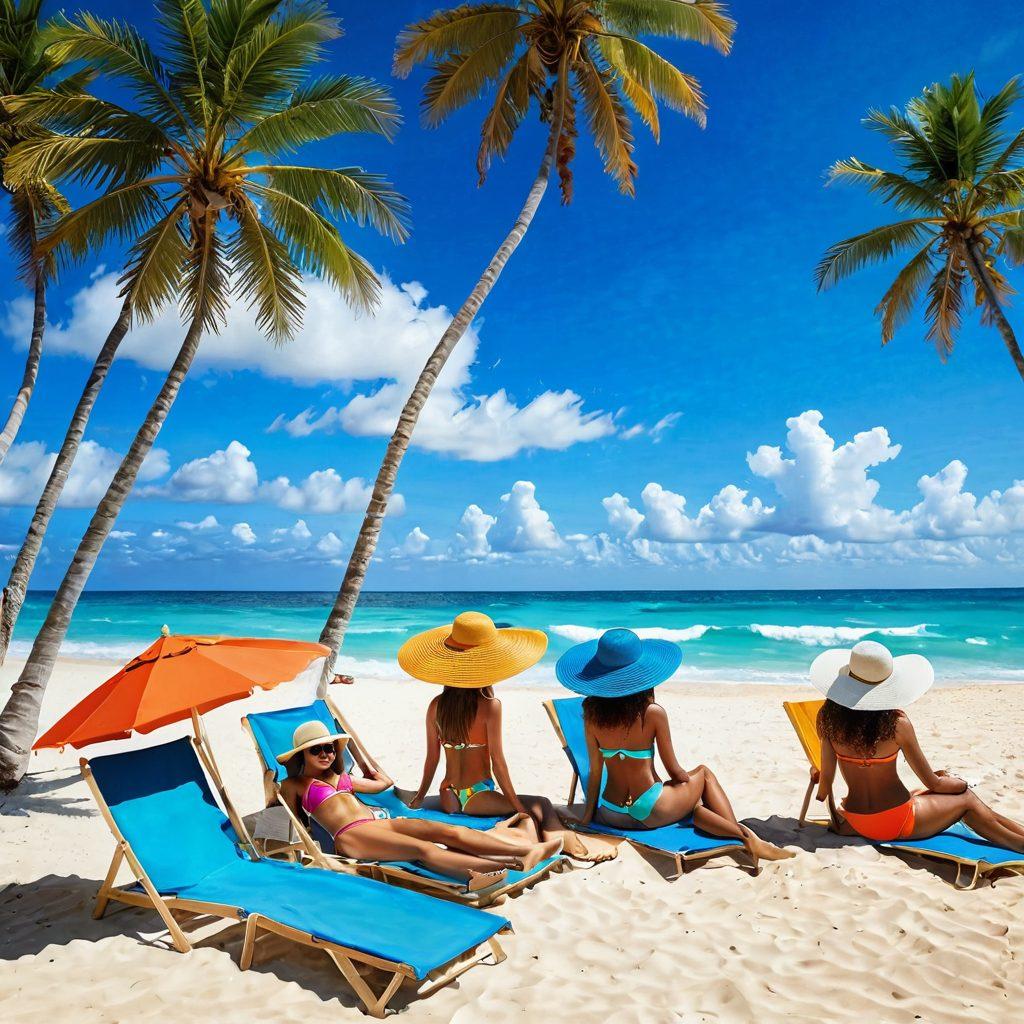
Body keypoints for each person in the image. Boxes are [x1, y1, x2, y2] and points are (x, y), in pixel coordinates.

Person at [556, 627, 794, 869]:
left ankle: (721, 826)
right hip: (649, 812)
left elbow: (595, 772)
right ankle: (742, 837)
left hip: (611, 813)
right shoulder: (652, 713)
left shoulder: (591, 718)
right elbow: (674, 771)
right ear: (641, 676)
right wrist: (688, 785)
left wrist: (588, 817)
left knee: (695, 807)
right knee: (702, 774)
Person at [401, 611, 615, 864]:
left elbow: (432, 759)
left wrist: (419, 797)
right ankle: (566, 843)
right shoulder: (491, 705)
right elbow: (498, 762)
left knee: (533, 807)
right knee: (541, 804)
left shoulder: (437, 705)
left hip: (448, 794)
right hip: (477, 795)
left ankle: (557, 838)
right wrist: (516, 805)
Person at [277, 720, 562, 892]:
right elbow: (277, 817)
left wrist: (365, 763)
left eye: (329, 748)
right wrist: (269, 787)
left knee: (441, 830)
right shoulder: (295, 784)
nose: (325, 754)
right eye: (316, 750)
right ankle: (498, 866)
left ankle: (525, 851)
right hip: (349, 836)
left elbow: (384, 783)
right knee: (422, 850)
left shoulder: (344, 778)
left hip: (375, 824)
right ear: (303, 754)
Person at [810, 640, 1024, 850]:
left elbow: (824, 789)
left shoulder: (829, 721)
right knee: (966, 799)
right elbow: (934, 784)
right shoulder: (896, 725)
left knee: (929, 792)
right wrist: (961, 783)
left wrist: (816, 772)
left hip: (854, 821)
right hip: (897, 821)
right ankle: (1019, 843)